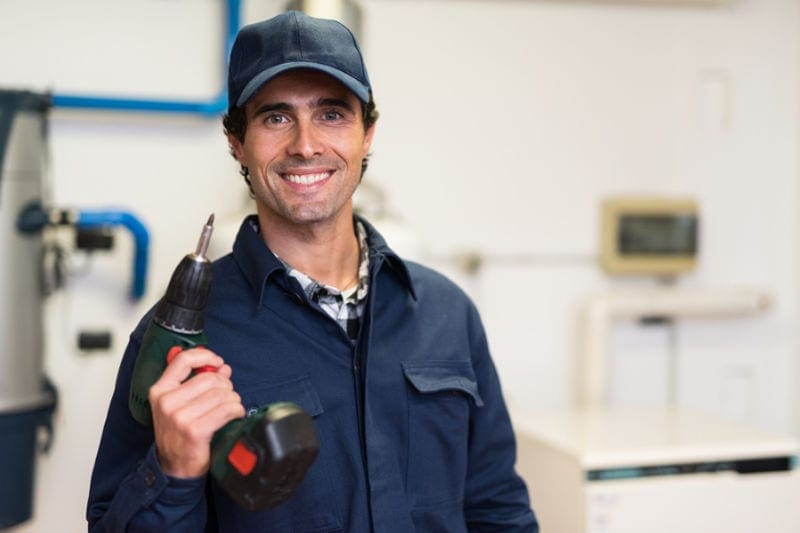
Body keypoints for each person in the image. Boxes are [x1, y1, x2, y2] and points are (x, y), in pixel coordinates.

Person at [87, 10, 538, 532]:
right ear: (237, 141)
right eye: (276, 117)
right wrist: (174, 471)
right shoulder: (179, 343)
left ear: (367, 132)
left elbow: (497, 508)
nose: (305, 145)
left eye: (331, 114)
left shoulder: (446, 313)